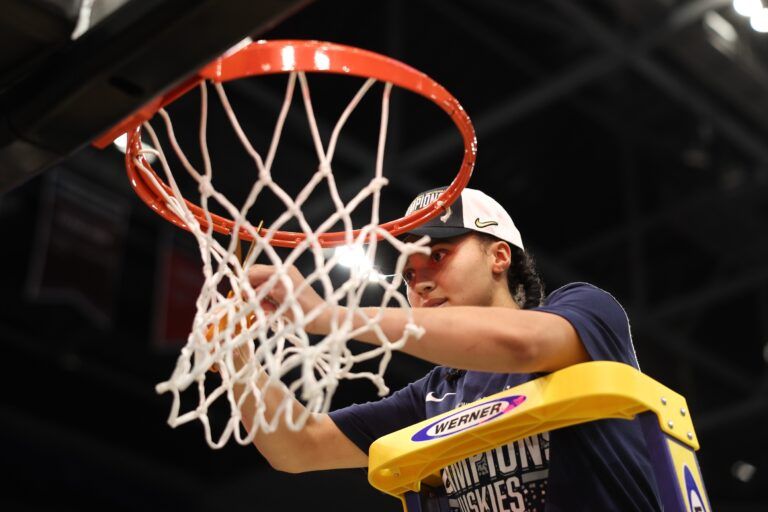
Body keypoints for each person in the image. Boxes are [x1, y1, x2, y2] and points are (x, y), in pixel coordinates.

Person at [239, 187, 662, 511]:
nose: (418, 282)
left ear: (499, 256)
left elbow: (522, 344)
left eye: (438, 255)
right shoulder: (434, 394)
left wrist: (327, 317)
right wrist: (235, 357)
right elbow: (297, 446)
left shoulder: (586, 310)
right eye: (407, 274)